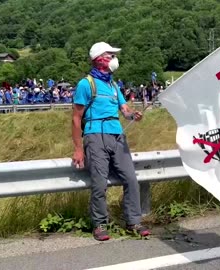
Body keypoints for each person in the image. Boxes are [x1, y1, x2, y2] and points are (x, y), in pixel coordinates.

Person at [72, 42, 151, 241]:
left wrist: (134, 115)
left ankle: (133, 221)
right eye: (110, 55)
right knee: (99, 183)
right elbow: (76, 118)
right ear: (100, 58)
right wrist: (78, 149)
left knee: (131, 179)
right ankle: (99, 224)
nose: (114, 59)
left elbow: (124, 111)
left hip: (117, 136)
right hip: (94, 135)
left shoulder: (114, 85)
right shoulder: (86, 84)